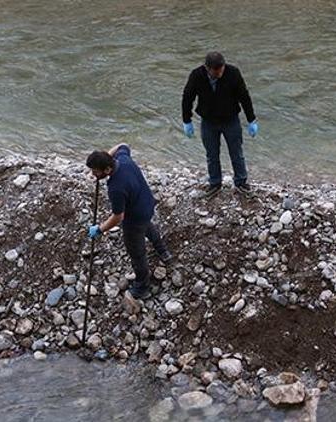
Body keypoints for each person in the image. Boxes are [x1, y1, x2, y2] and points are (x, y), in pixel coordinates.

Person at [85, 143, 172, 300]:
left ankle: (142, 287)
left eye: (95, 172)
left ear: (107, 170)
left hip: (135, 218)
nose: (93, 174)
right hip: (147, 204)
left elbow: (118, 217)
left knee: (137, 253)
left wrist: (99, 229)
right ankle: (163, 252)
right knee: (148, 226)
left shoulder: (116, 188)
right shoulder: (123, 160)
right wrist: (105, 157)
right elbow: (122, 145)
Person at [181, 51, 259, 198]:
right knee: (212, 154)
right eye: (216, 71)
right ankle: (215, 183)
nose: (220, 73)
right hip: (208, 122)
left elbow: (244, 96)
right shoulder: (197, 75)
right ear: (207, 68)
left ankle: (241, 182)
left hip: (231, 120)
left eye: (221, 69)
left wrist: (251, 119)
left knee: (236, 153)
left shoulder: (233, 73)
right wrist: (187, 120)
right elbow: (187, 97)